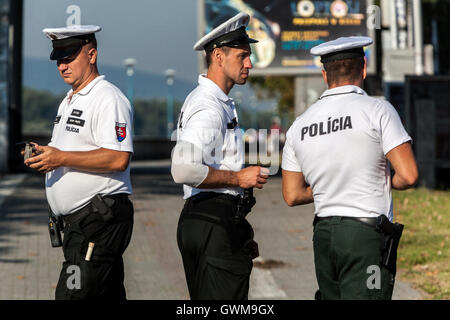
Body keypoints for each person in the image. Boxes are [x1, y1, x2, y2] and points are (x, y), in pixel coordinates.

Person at [281, 36, 418, 300]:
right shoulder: (378, 110)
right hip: (365, 238)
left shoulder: (300, 124)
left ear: (324, 74)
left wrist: (330, 185)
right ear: (363, 68)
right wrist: (381, 179)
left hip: (324, 236)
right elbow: (409, 174)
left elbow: (292, 195)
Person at [23, 25, 134, 300]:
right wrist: (45, 156)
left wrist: (60, 157)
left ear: (92, 55)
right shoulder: (69, 101)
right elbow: (71, 151)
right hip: (78, 226)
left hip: (97, 220)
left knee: (72, 294)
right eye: (59, 59)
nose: (63, 65)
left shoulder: (108, 98)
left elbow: (119, 157)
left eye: (70, 57)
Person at [171, 12, 269, 300]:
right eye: (242, 56)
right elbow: (183, 169)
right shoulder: (208, 106)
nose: (249, 63)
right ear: (218, 56)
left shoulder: (216, 102)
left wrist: (237, 231)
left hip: (211, 220)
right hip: (211, 220)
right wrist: (239, 177)